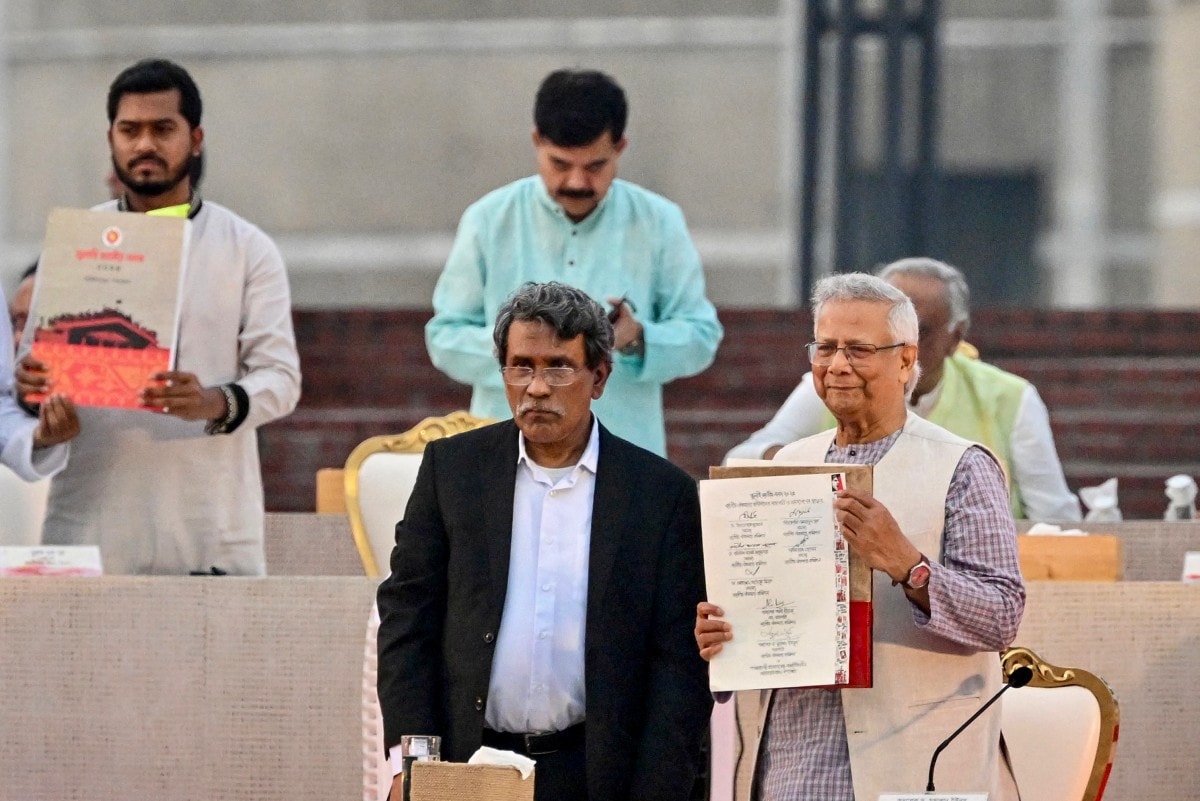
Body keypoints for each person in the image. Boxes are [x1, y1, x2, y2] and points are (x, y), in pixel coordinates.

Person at [697, 273, 1025, 801]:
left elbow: (1002, 615)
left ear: (904, 360)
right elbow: (766, 614)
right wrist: (726, 632)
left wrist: (908, 565)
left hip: (915, 762)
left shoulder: (961, 466)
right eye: (825, 347)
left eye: (859, 349)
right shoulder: (786, 465)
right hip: (793, 761)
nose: (837, 365)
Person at [378, 282, 711, 801]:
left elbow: (677, 662)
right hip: (468, 768)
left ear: (598, 376)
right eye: (521, 366)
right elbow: (408, 618)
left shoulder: (661, 494)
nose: (536, 387)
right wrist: (412, 763)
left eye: (558, 367)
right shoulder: (453, 471)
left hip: (598, 774)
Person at [15, 58, 301, 575]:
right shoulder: (75, 242)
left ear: (195, 138)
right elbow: (28, 381)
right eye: (130, 130)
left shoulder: (246, 247)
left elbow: (281, 380)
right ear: (111, 139)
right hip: (89, 517)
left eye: (162, 129)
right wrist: (33, 393)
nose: (144, 144)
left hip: (207, 521)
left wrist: (212, 401)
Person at [425, 68, 723, 457]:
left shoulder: (658, 220)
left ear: (621, 147)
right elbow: (444, 336)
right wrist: (524, 350)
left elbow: (702, 336)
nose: (578, 182)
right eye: (561, 164)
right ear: (537, 141)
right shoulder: (488, 218)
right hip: (505, 452)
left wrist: (636, 339)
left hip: (626, 455)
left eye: (595, 166)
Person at [725, 257, 1080, 521]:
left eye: (917, 333)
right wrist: (814, 470)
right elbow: (739, 465)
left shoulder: (1007, 400)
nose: (840, 366)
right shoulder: (833, 378)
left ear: (954, 338)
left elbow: (1057, 525)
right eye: (877, 339)